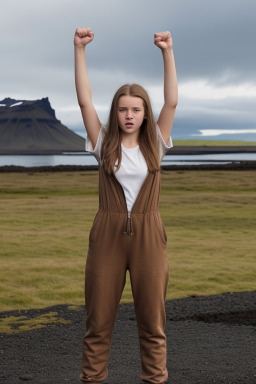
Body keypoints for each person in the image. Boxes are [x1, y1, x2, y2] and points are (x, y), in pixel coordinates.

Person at [74, 26, 178, 384]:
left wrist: (167, 51)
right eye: (122, 109)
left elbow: (172, 102)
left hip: (150, 236)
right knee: (98, 324)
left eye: (136, 109)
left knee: (153, 325)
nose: (129, 115)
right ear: (115, 113)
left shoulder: (157, 145)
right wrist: (79, 50)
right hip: (107, 237)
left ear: (145, 113)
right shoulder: (103, 143)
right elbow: (85, 101)